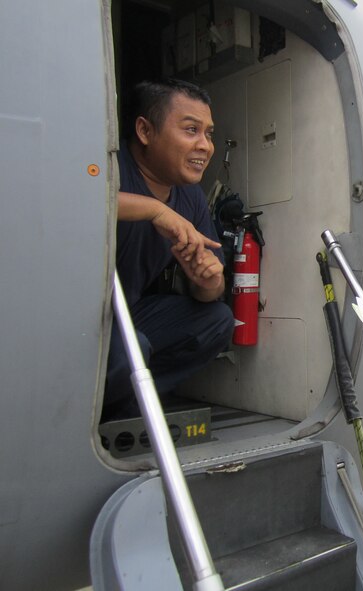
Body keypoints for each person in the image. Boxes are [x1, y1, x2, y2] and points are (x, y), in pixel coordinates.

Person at [102, 79, 235, 422]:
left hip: (129, 313)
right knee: (131, 351)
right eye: (191, 130)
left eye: (208, 134)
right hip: (77, 322)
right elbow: (73, 200)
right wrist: (154, 210)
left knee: (217, 321)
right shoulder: (107, 165)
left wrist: (207, 280)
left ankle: (125, 403)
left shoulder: (190, 196)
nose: (205, 146)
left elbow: (212, 292)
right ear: (145, 131)